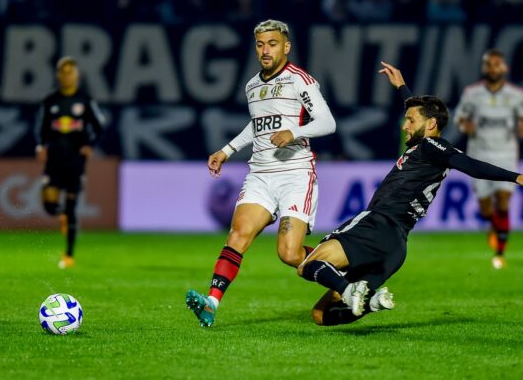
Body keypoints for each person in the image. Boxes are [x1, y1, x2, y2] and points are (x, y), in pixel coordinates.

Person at [296, 61, 523, 326]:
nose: (405, 125)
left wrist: (515, 176)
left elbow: (471, 166)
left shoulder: (432, 146)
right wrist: (403, 88)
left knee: (308, 265)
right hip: (395, 247)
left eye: (410, 120)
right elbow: (422, 114)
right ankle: (371, 302)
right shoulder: (427, 146)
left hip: (376, 224)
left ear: (431, 125)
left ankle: (349, 290)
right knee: (321, 315)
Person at [186, 19, 337, 327]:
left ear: (286, 46)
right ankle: (211, 302)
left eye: (272, 44)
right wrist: (226, 150)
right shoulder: (252, 86)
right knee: (238, 234)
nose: (265, 50)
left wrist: (293, 131)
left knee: (289, 253)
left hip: (295, 173)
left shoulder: (300, 81)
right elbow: (256, 126)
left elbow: (327, 122)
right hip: (260, 175)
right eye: (260, 44)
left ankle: (343, 273)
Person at [454, 49, 523, 269]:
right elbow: (460, 119)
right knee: (486, 210)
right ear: (484, 68)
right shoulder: (471, 93)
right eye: (489, 65)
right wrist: (466, 125)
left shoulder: (516, 95)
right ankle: (494, 226)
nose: (493, 68)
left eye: (497, 64)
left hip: (506, 154)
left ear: (504, 68)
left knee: (503, 201)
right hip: (480, 154)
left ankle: (500, 252)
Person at [35, 56, 104, 269]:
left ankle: (69, 255)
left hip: (75, 159)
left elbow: (99, 125)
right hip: (54, 158)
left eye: (70, 72)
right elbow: (42, 127)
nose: (66, 76)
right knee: (49, 204)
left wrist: (90, 145)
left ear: (77, 76)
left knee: (72, 205)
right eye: (63, 72)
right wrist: (41, 146)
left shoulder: (84, 100)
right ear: (58, 75)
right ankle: (60, 214)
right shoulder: (50, 101)